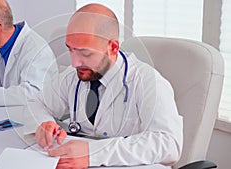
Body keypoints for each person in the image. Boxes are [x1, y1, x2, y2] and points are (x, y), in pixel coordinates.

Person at [32, 3, 183, 169]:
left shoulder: (148, 82)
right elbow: (37, 103)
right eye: (71, 50)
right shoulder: (72, 75)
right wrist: (44, 123)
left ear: (113, 47)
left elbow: (169, 144)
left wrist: (93, 153)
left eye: (85, 53)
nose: (74, 62)